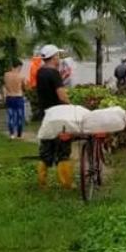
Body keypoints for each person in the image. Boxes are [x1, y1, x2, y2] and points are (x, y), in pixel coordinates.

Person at [36, 44, 73, 190]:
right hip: (58, 115)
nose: (59, 58)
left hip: (46, 115)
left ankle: (42, 183)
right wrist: (71, 106)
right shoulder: (54, 73)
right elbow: (62, 96)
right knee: (63, 149)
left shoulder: (40, 72)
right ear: (54, 57)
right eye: (58, 55)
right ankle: (65, 184)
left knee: (46, 147)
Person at [3, 59, 25, 139]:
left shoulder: (6, 75)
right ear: (19, 66)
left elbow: (5, 85)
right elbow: (24, 87)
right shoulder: (21, 76)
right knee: (20, 116)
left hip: (9, 97)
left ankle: (12, 134)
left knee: (10, 116)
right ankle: (19, 134)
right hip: (18, 97)